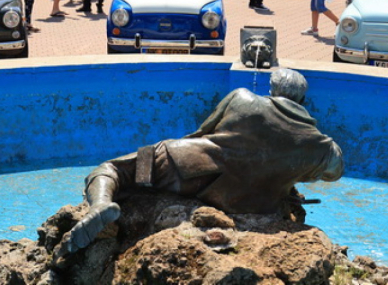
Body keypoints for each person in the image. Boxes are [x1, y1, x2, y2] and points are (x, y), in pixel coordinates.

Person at [63, 71, 344, 254]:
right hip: (251, 203)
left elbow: (201, 133)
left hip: (190, 169)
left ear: (272, 90)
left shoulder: (242, 98)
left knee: (112, 169)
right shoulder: (321, 146)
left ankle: (101, 205)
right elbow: (334, 171)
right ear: (303, 100)